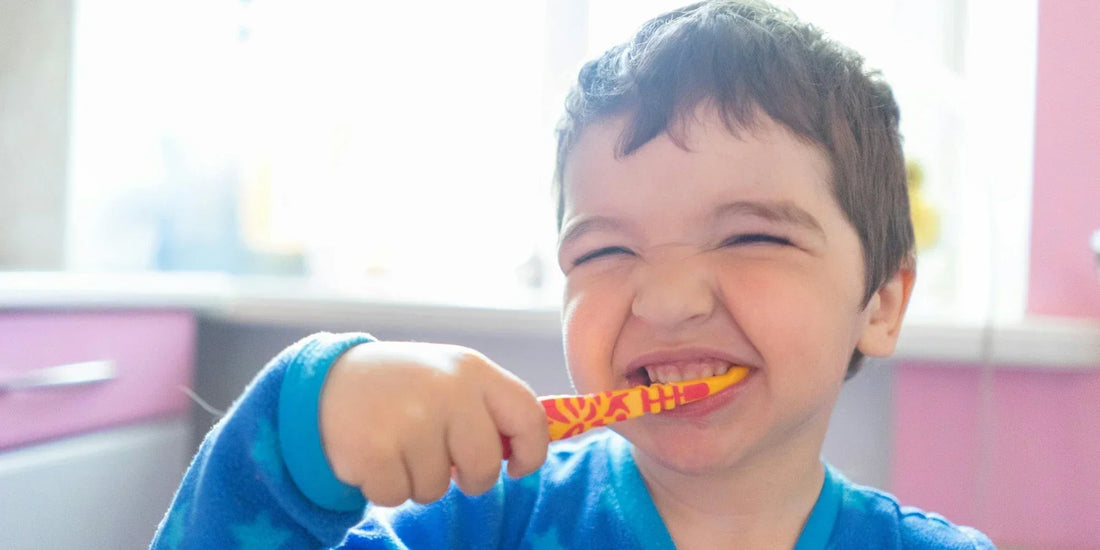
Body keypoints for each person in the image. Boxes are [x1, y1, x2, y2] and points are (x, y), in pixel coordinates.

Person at [151, 1, 995, 548]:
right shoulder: (477, 523)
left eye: (751, 237)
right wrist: (300, 439)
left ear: (881, 299)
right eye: (604, 252)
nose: (665, 300)